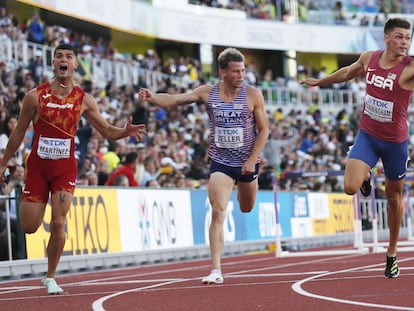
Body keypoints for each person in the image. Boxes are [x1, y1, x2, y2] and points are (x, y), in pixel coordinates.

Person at [0, 43, 146, 294]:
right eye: (59, 57)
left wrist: (124, 132)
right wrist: (3, 162)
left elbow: (106, 130)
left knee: (58, 224)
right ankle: (41, 203)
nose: (63, 60)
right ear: (54, 63)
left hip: (64, 170)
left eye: (68, 56)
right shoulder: (35, 96)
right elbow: (18, 132)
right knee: (29, 226)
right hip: (37, 168)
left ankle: (50, 276)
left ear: (76, 64)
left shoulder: (84, 99)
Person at [139, 47, 269, 284]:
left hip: (247, 164)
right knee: (218, 212)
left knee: (246, 207)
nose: (241, 76)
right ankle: (216, 269)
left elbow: (264, 130)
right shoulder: (208, 93)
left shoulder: (253, 95)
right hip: (221, 162)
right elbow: (175, 100)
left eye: (243, 71)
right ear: (222, 72)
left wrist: (252, 160)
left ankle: (242, 189)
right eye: (236, 71)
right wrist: (153, 97)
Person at [300, 17, 413, 279]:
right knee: (350, 188)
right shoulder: (369, 58)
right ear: (386, 38)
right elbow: (347, 72)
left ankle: (392, 253)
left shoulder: (409, 68)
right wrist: (320, 82)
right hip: (368, 135)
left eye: (407, 38)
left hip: (395, 143)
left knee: (394, 198)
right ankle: (366, 175)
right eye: (399, 37)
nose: (404, 42)